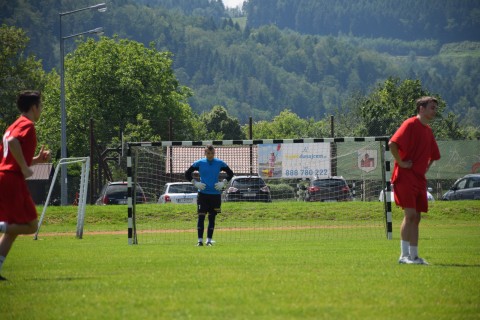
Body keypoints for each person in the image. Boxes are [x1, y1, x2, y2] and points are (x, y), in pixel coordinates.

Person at [0, 90, 51, 280]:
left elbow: (10, 150)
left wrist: (35, 160)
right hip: (12, 179)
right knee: (31, 226)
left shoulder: (13, 125)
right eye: (41, 106)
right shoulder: (27, 125)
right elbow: (13, 143)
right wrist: (24, 167)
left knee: (13, 229)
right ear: (33, 107)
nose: (41, 110)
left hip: (5, 176)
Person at [389, 96, 441, 265]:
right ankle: (403, 256)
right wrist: (401, 163)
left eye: (435, 108)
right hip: (405, 177)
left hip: (419, 179)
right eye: (432, 107)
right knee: (410, 215)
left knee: (417, 217)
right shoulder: (410, 124)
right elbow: (392, 144)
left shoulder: (428, 131)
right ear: (421, 109)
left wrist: (427, 166)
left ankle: (414, 256)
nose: (434, 111)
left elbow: (434, 155)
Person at [185, 145, 234, 246]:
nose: (210, 155)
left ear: (214, 153)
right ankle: (200, 241)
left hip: (215, 195)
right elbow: (187, 173)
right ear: (205, 153)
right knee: (201, 217)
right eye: (208, 153)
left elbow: (230, 173)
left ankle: (209, 241)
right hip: (203, 195)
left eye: (212, 153)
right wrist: (195, 183)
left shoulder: (220, 163)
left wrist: (223, 183)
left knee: (212, 218)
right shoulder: (199, 163)